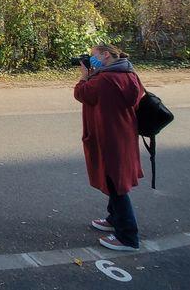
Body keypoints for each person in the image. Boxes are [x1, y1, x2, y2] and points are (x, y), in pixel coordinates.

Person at [74, 44, 145, 252]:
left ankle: (128, 236)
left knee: (115, 184)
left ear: (105, 55)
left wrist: (84, 76)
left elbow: (82, 93)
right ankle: (113, 218)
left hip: (108, 137)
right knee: (114, 178)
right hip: (123, 135)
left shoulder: (105, 79)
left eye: (94, 55)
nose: (91, 59)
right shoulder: (129, 73)